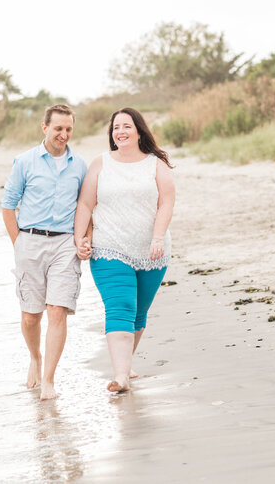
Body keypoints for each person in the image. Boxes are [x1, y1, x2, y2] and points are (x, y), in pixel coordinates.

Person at [74, 107, 175, 394]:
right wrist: (80, 238)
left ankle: (125, 364)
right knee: (121, 307)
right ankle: (120, 376)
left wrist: (157, 238)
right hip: (109, 248)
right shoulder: (101, 163)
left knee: (139, 313)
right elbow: (85, 203)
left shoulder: (156, 164)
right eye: (116, 127)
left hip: (152, 250)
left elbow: (166, 203)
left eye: (127, 126)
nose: (121, 132)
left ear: (139, 131)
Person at [1, 104, 88, 400]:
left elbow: (86, 206)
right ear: (45, 127)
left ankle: (49, 380)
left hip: (65, 244)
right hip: (30, 241)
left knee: (57, 310)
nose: (63, 134)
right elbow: (8, 206)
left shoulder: (80, 165)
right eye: (58, 128)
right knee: (30, 316)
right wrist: (19, 244)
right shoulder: (25, 162)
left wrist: (85, 238)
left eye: (68, 129)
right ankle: (35, 358)